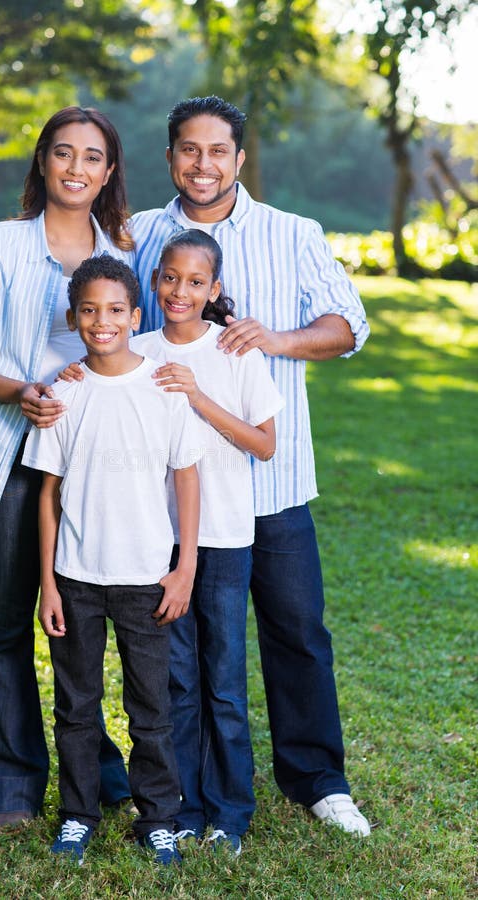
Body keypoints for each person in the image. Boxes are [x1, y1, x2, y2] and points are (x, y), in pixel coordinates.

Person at [130, 96, 372, 837]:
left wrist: (275, 339)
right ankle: (184, 791)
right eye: (188, 150)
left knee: (297, 630)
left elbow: (347, 327)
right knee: (184, 654)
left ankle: (318, 781)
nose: (202, 164)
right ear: (171, 157)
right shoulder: (139, 233)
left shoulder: (292, 233)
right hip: (176, 496)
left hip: (273, 477)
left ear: (239, 159)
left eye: (217, 151)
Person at [0, 106, 134, 825]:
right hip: (14, 457)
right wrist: (20, 391)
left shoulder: (128, 253)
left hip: (105, 467)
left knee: (88, 620)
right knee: (14, 618)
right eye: (63, 154)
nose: (76, 168)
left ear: (108, 172)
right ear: (42, 162)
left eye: (91, 157)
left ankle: (102, 768)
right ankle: (12, 784)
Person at [22, 255, 201, 866]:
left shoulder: (163, 387)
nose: (103, 322)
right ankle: (78, 816)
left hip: (146, 579)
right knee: (76, 706)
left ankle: (159, 818)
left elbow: (187, 478)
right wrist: (47, 584)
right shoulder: (65, 391)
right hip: (76, 579)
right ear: (74, 318)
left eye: (116, 310)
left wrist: (186, 567)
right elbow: (48, 497)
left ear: (135, 315)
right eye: (90, 311)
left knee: (151, 708)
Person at [130, 229, 284, 856]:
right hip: (156, 541)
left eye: (196, 282)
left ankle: (230, 813)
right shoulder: (135, 349)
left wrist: (197, 395)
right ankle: (184, 807)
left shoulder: (235, 352)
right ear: (155, 280)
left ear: (213, 289)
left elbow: (265, 444)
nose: (180, 291)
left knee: (222, 679)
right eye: (170, 278)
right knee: (176, 682)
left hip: (223, 536)